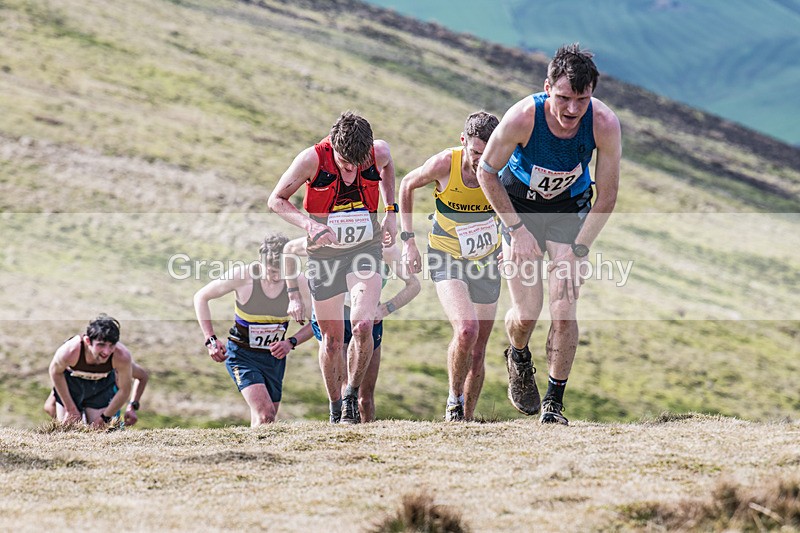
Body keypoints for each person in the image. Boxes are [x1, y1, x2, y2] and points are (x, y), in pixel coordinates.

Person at [475, 43, 621, 425]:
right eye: (563, 98)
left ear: (592, 94)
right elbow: (486, 173)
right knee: (526, 313)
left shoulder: (604, 123)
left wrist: (579, 249)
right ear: (547, 87)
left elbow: (608, 195)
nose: (572, 110)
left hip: (567, 212)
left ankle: (554, 404)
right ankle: (518, 355)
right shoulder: (523, 117)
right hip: (519, 209)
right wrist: (516, 230)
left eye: (582, 100)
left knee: (564, 305)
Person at [267, 111, 397, 424]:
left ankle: (352, 394)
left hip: (365, 250)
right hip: (324, 256)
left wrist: (390, 211)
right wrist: (309, 225)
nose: (351, 170)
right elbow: (276, 200)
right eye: (344, 163)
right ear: (334, 147)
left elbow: (388, 167)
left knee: (363, 324)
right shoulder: (311, 159)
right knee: (332, 341)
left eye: (357, 162)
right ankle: (336, 406)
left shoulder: (378, 151)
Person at [399, 111, 501, 421]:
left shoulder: (505, 166)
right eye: (475, 153)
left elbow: (521, 208)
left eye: (488, 154)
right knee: (466, 330)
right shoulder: (446, 163)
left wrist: (509, 245)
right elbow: (406, 185)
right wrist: (408, 241)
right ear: (463, 142)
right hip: (446, 254)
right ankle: (454, 401)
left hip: (486, 260)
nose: (480, 161)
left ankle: (466, 420)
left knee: (480, 349)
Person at [283, 237, 420, 422]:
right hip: (333, 316)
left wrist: (386, 308)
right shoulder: (329, 237)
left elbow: (414, 285)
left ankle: (367, 440)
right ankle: (341, 430)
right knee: (344, 387)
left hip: (366, 319)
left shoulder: (384, 248)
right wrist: (293, 296)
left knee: (365, 398)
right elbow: (289, 249)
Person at [193, 233, 314, 427]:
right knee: (265, 414)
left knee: (267, 418)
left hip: (274, 359)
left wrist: (290, 342)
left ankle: (254, 454)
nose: (276, 277)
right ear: (260, 262)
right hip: (242, 354)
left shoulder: (298, 283)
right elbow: (201, 297)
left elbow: (318, 323)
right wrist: (211, 339)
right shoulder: (243, 276)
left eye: (281, 272)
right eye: (272, 270)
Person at [48, 314, 134, 428]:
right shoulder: (70, 351)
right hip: (71, 385)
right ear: (88, 341)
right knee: (69, 429)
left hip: (100, 387)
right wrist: (70, 408)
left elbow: (124, 390)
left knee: (99, 430)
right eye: (101, 345)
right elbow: (55, 372)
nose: (107, 352)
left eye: (111, 345)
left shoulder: (122, 356)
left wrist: (105, 417)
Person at [44, 359, 149, 427]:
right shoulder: (72, 377)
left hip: (110, 427)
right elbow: (50, 406)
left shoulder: (119, 362)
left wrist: (132, 406)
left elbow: (142, 376)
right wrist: (78, 422)